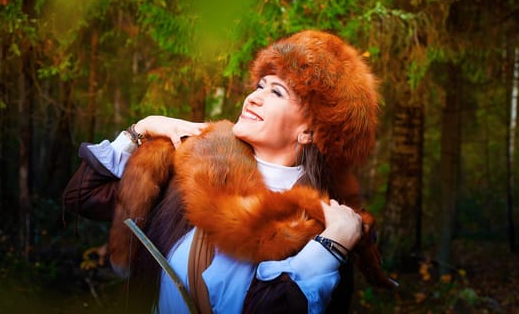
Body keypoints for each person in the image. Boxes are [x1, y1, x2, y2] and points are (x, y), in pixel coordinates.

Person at [63, 30, 383, 313]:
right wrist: (140, 130)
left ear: (310, 132)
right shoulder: (195, 161)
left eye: (276, 92)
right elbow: (82, 196)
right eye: (259, 85)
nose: (254, 97)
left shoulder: (323, 229)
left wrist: (331, 247)